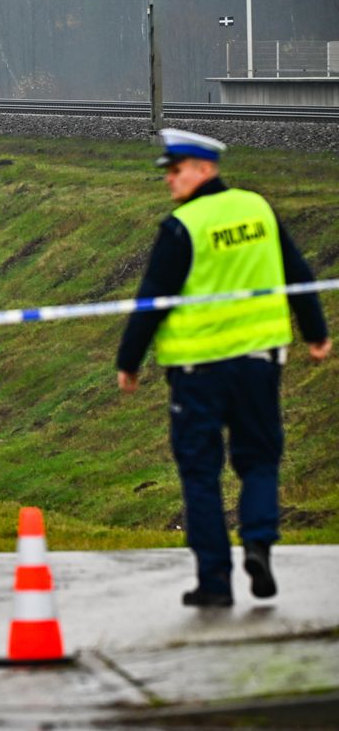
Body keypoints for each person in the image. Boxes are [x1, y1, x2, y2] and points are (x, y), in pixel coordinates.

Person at [116, 128, 330, 608]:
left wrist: (128, 362)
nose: (169, 180)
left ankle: (214, 582)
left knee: (200, 472)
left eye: (176, 171)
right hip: (259, 363)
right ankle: (258, 543)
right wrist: (316, 332)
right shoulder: (258, 209)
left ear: (204, 170)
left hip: (197, 373)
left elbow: (152, 300)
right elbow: (298, 273)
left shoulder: (182, 227)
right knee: (258, 459)